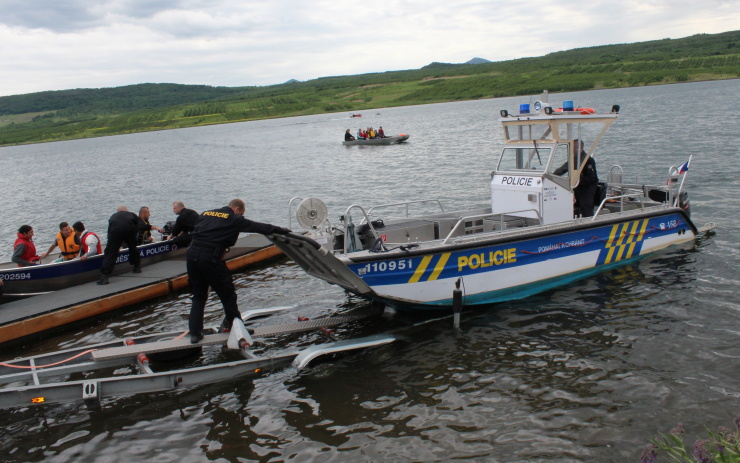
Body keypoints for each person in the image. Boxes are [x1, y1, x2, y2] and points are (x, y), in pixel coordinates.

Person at [187, 198, 291, 344]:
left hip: (191, 256)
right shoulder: (233, 219)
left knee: (199, 295)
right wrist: (283, 230)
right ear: (236, 209)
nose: (241, 217)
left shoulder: (206, 213)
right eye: (241, 214)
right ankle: (236, 326)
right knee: (228, 294)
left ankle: (195, 334)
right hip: (210, 257)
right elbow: (259, 227)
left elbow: (199, 231)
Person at [553, 140, 599, 217]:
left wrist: (577, 181)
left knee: (585, 205)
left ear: (579, 148)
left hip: (587, 187)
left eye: (573, 148)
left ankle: (588, 222)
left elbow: (591, 177)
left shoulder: (588, 160)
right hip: (576, 186)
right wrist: (552, 176)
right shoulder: (573, 159)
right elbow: (562, 169)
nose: (571, 150)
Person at [97, 206, 140, 285]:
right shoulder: (132, 215)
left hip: (115, 231)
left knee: (110, 252)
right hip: (130, 228)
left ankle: (105, 276)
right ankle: (137, 266)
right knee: (133, 247)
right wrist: (132, 239)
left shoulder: (113, 216)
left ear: (117, 212)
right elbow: (138, 227)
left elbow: (109, 232)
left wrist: (114, 245)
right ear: (126, 211)